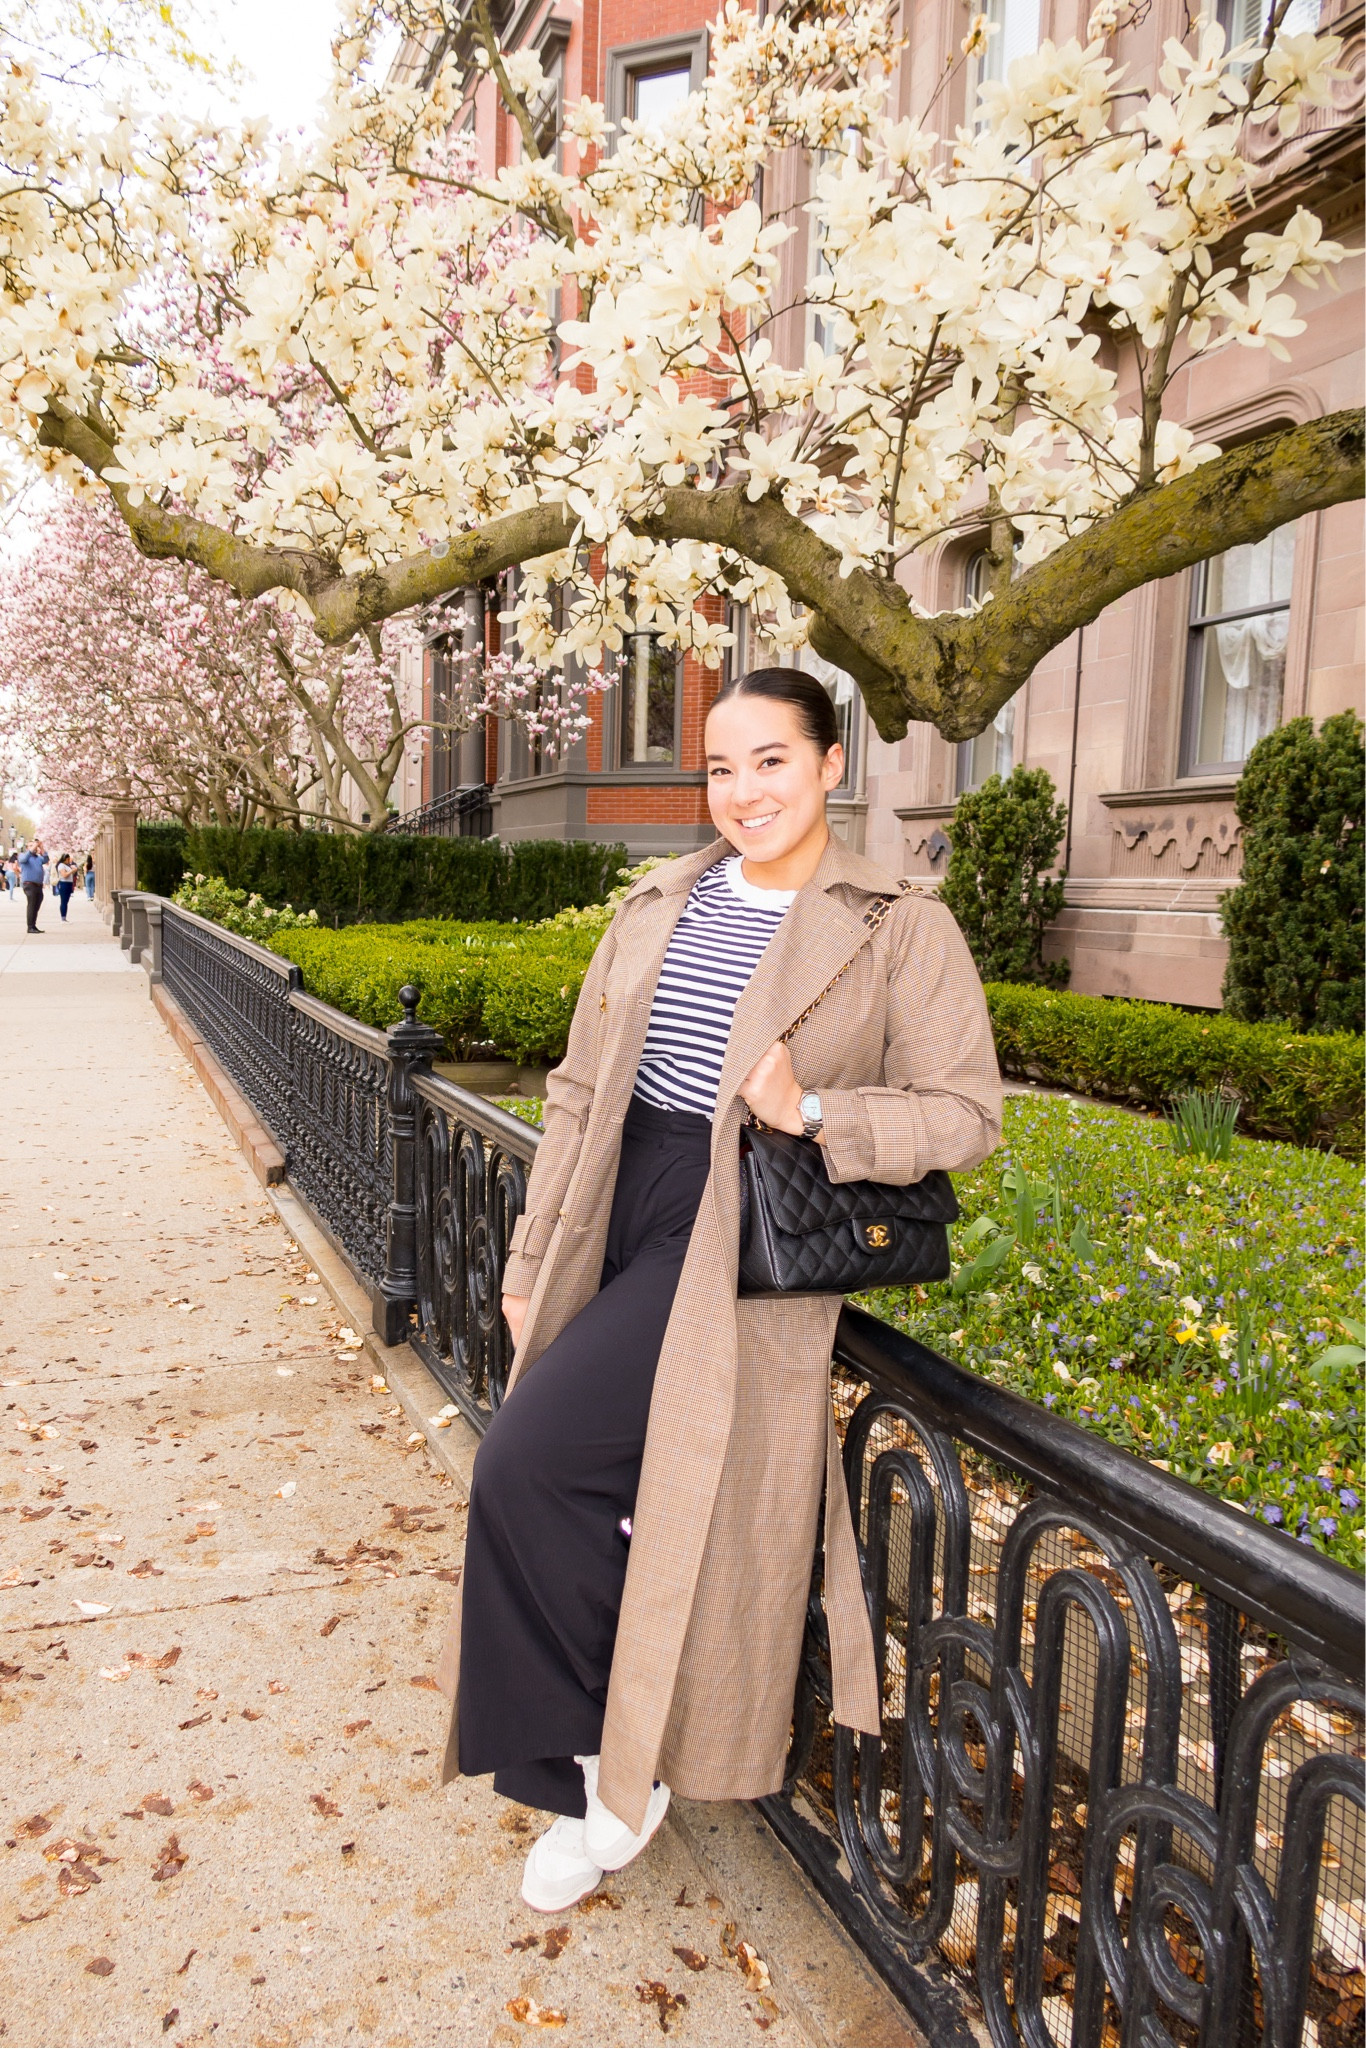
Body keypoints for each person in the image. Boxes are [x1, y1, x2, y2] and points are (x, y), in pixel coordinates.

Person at [437, 667, 1002, 1914]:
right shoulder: (661, 895)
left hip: (732, 1232)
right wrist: (532, 1264)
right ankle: (602, 1743)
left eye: (771, 763)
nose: (741, 793)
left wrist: (811, 1109)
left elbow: (968, 1113)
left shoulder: (897, 920)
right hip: (612, 1201)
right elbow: (580, 1089)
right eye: (721, 768)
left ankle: (613, 1778)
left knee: (526, 1466)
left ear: (830, 766)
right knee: (582, 1480)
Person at [18, 839, 48, 933]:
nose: (34, 847)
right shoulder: (23, 856)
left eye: (35, 845)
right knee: (31, 904)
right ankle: (30, 926)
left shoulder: (38, 858)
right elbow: (23, 859)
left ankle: (33, 925)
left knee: (37, 905)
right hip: (29, 884)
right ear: (27, 848)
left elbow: (46, 859)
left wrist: (41, 847)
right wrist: (34, 846)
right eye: (31, 845)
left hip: (38, 885)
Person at [53, 852, 75, 921]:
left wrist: (73, 870)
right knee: (64, 901)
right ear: (65, 859)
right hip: (64, 884)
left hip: (69, 884)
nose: (69, 861)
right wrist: (72, 870)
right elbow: (64, 875)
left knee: (66, 900)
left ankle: (64, 916)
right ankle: (63, 917)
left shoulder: (67, 866)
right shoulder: (61, 865)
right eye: (68, 859)